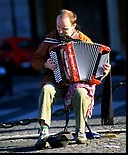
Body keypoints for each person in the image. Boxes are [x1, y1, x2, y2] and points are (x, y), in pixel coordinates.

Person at [31, 9, 111, 144]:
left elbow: (99, 65)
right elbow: (35, 60)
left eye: (64, 28)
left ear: (74, 26)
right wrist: (45, 64)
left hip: (77, 84)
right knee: (46, 90)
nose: (60, 31)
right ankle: (43, 131)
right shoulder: (51, 38)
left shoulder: (84, 40)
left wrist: (106, 70)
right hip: (56, 82)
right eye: (58, 27)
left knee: (81, 93)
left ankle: (80, 131)